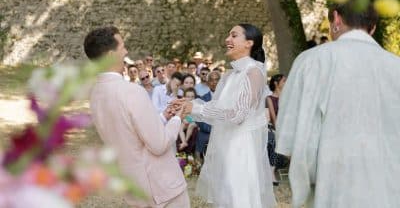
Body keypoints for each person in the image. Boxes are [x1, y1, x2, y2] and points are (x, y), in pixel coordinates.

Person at [276, 1, 400, 208]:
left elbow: (290, 133)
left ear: (336, 18)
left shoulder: (312, 61)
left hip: (334, 184)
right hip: (390, 186)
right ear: (373, 27)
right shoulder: (396, 66)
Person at [83, 26, 189, 208]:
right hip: (161, 187)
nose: (126, 51)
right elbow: (159, 144)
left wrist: (163, 117)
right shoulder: (131, 91)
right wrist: (177, 118)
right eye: (122, 46)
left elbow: (128, 132)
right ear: (110, 55)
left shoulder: (95, 94)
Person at [180, 23, 276, 208]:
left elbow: (238, 115)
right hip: (224, 145)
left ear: (249, 42)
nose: (227, 39)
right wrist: (189, 106)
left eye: (233, 35)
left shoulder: (254, 72)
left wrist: (197, 109)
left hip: (240, 148)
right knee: (225, 198)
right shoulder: (230, 75)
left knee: (239, 198)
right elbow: (217, 110)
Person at [265, 74, 287, 186]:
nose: (286, 83)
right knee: (274, 139)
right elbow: (274, 120)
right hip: (274, 128)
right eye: (284, 81)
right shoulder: (269, 98)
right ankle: (271, 172)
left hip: (287, 128)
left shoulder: (288, 98)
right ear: (276, 83)